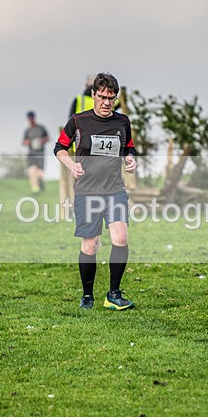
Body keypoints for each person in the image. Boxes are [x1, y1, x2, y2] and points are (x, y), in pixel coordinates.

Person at [54, 72, 137, 311]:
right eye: (102, 97)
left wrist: (131, 160)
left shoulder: (122, 122)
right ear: (93, 95)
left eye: (111, 98)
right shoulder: (78, 121)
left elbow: (128, 148)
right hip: (87, 191)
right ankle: (87, 295)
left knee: (120, 238)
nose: (106, 102)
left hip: (114, 188)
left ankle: (113, 294)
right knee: (90, 246)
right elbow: (59, 148)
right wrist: (71, 164)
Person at [22, 110, 49, 195]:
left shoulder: (41, 128)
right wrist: (27, 142)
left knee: (39, 174)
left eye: (32, 118)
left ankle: (39, 184)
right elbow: (23, 142)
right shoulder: (27, 130)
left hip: (40, 153)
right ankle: (35, 189)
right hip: (31, 153)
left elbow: (48, 138)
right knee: (31, 171)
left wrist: (42, 141)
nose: (31, 119)